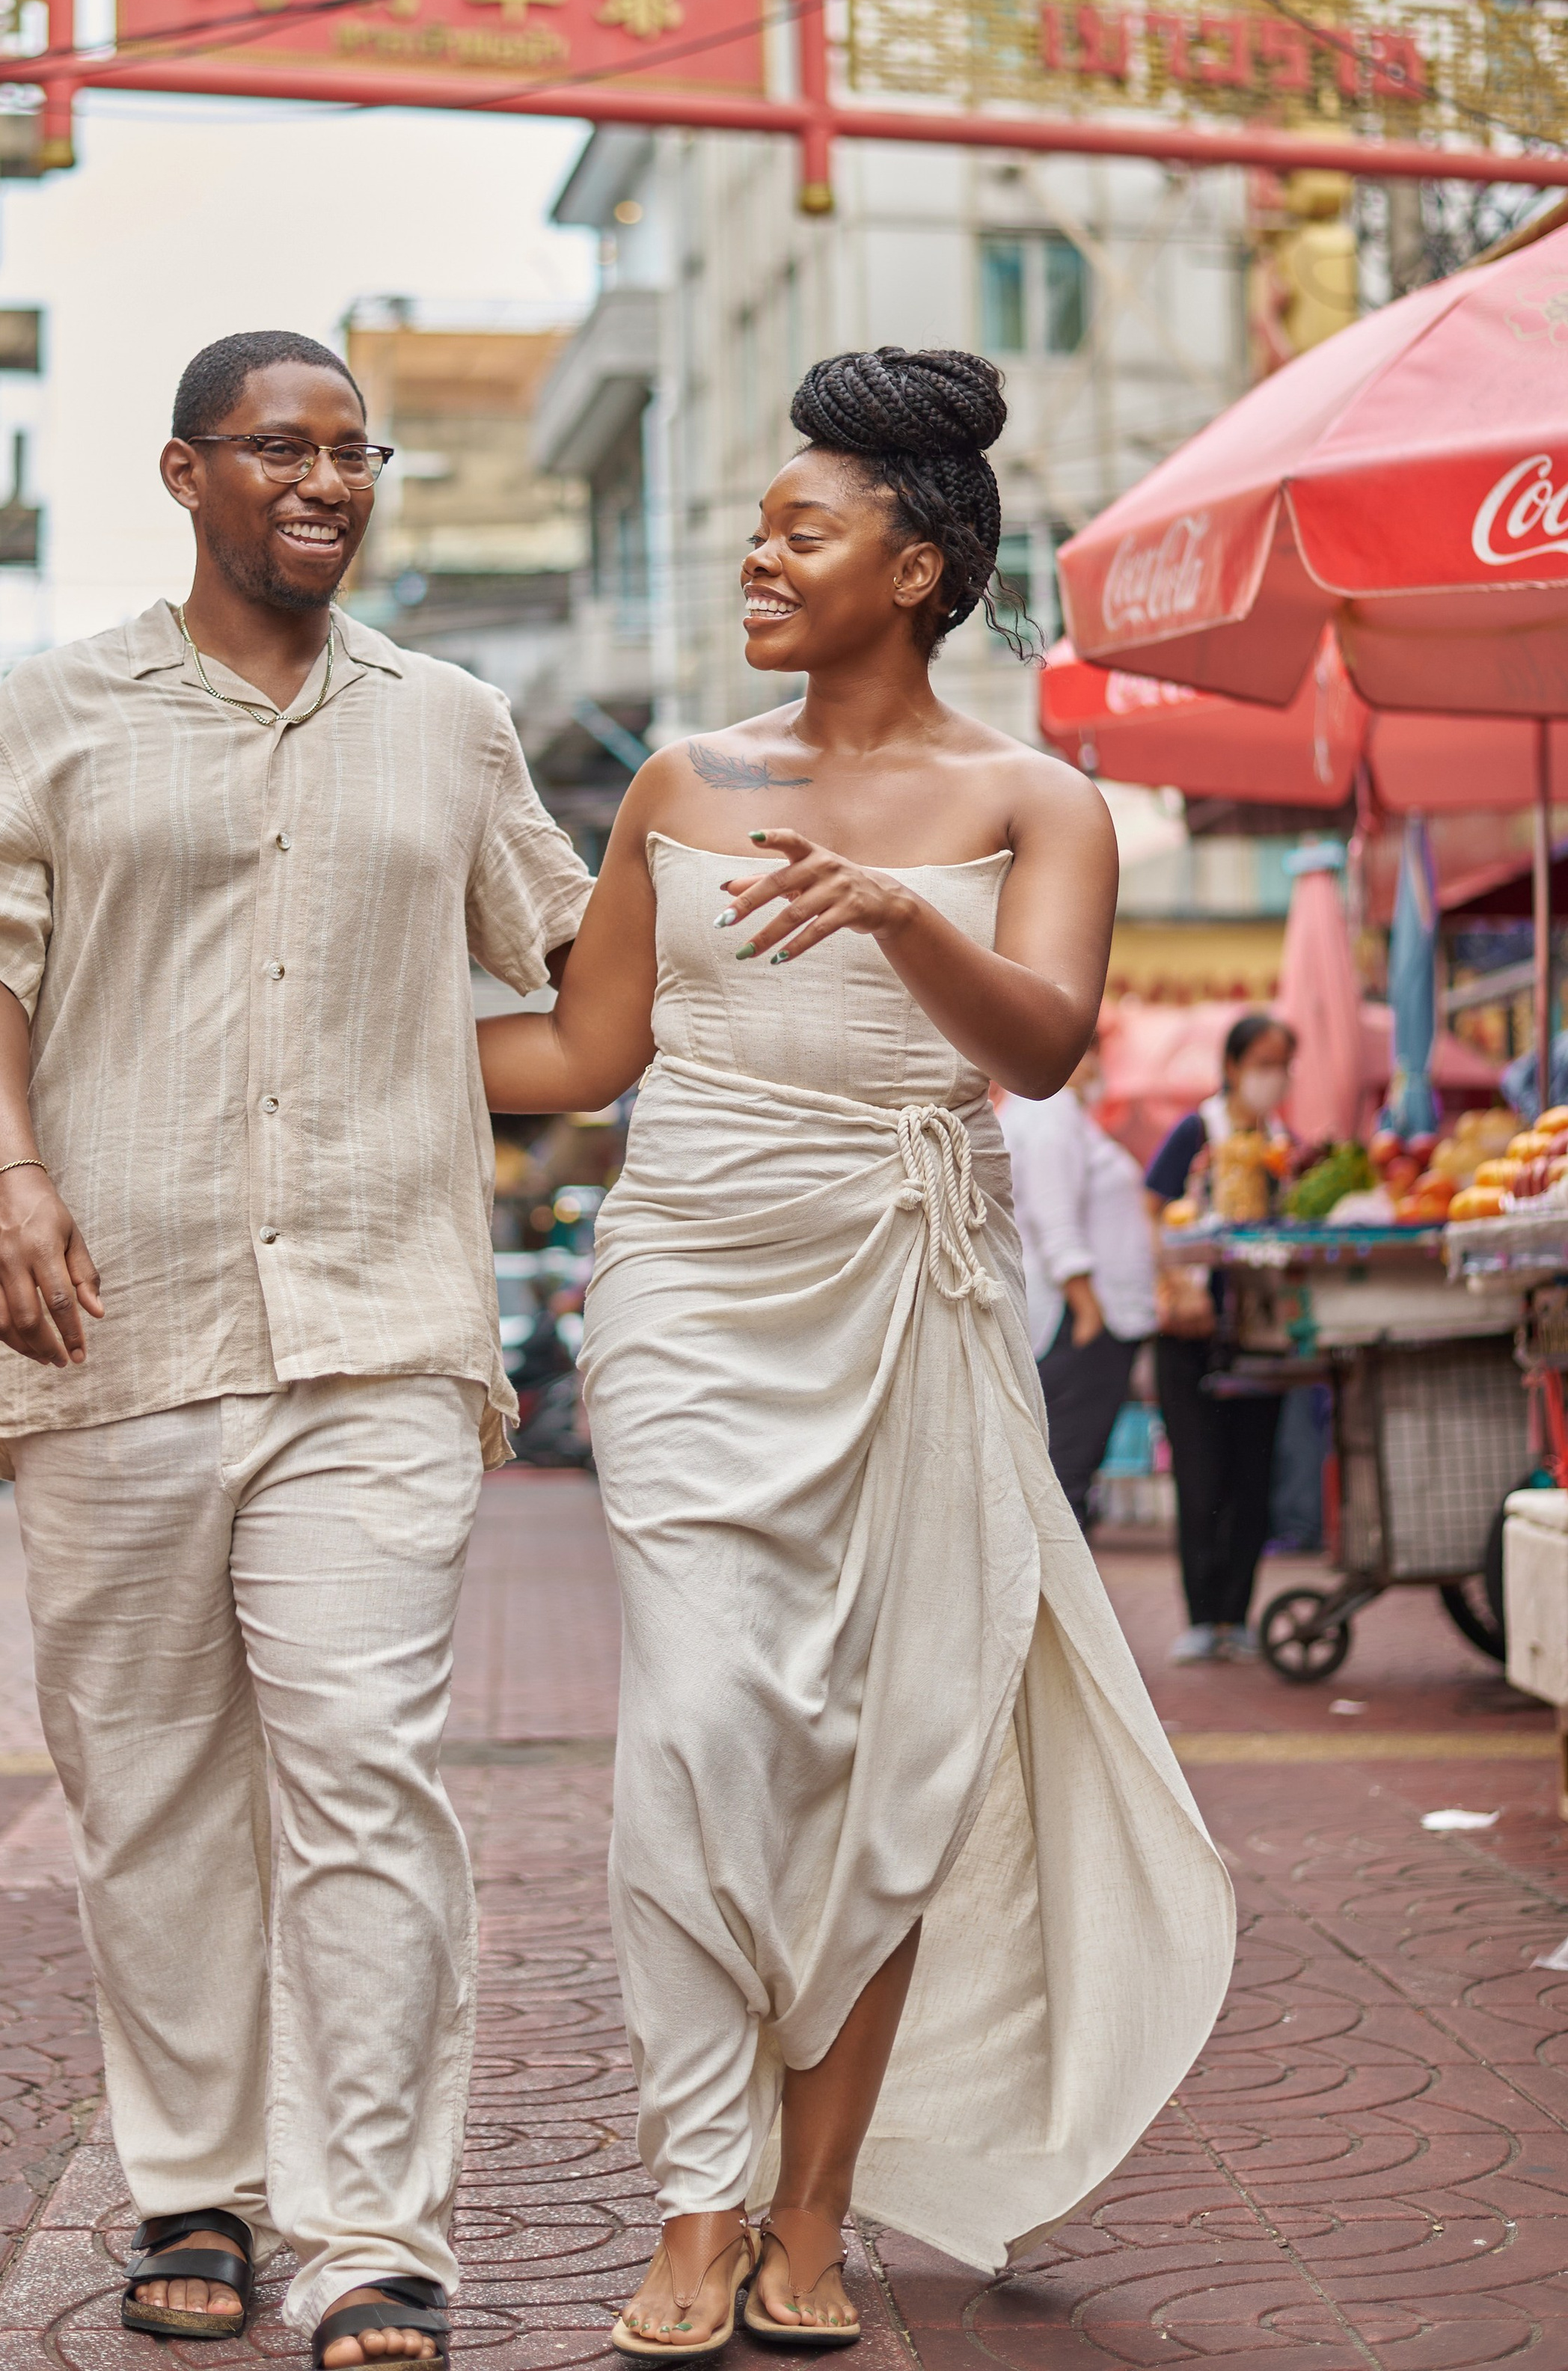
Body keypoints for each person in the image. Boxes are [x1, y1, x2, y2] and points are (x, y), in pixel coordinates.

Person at [477, 346, 1234, 2352]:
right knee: (703, 1731)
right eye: (761, 521)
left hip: (918, 1286)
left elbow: (1048, 1047)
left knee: (891, 1760)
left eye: (801, 528)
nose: (755, 552)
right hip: (695, 1288)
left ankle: (808, 2222)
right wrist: (330, 1047)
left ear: (917, 568)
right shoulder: (680, 783)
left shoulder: (1032, 799)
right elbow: (578, 1053)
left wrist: (904, 912)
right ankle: (694, 2197)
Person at [0, 330, 592, 2360]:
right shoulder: (59, 710)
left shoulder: (451, 725)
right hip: (120, 1320)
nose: (329, 479)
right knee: (155, 1787)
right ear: (184, 474)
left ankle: (374, 2237)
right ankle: (194, 2185)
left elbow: (570, 967)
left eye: (355, 451)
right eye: (283, 448)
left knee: (368, 1770)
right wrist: (4, 1178)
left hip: (377, 1321)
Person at [1142, 1012, 1297, 1665]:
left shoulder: (1283, 1140)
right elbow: (1153, 1205)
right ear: (1232, 1066)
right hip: (1193, 1332)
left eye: (1282, 1063)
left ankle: (1240, 1614)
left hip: (1263, 1330)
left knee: (1254, 1476)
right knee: (1201, 1478)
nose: (1273, 1076)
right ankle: (1204, 1616)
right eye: (1262, 1061)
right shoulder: (1196, 1131)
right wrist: (1175, 1285)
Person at [1000, 1033, 1157, 1531]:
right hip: (1077, 1318)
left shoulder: (1048, 1112)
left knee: (1060, 1475)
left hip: (1078, 1315)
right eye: (1090, 1053)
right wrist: (1088, 1309)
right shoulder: (1050, 1112)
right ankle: (1055, 1606)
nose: (1097, 1067)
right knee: (1063, 1480)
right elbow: (1054, 1216)